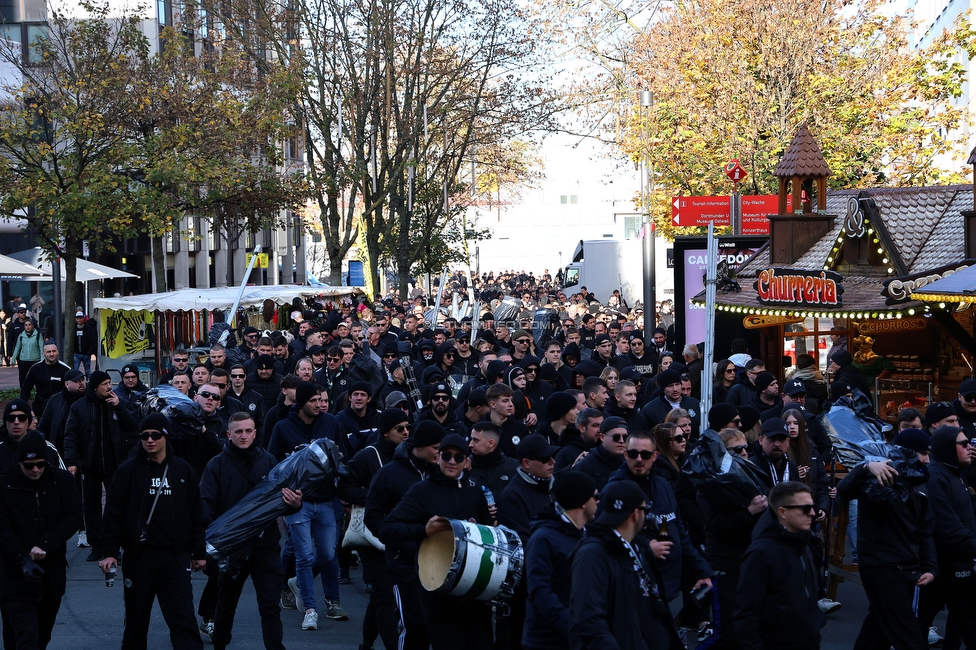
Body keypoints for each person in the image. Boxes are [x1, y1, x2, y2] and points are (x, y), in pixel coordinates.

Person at [98, 412, 208, 650]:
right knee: (136, 624)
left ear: (166, 437)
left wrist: (199, 552)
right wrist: (109, 552)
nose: (149, 440)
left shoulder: (182, 470)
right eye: (144, 436)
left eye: (155, 435)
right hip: (139, 559)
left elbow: (196, 513)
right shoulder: (128, 471)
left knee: (184, 622)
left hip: (175, 558)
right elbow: (113, 515)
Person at [378, 433, 493, 650]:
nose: (452, 461)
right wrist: (424, 530)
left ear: (467, 461)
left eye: (459, 458)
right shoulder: (422, 490)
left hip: (474, 586)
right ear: (438, 457)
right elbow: (387, 528)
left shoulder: (475, 490)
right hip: (438, 584)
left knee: (481, 642)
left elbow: (487, 526)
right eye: (446, 455)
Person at [199, 413, 302, 650]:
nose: (243, 436)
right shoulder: (216, 465)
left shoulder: (269, 461)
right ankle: (219, 645)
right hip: (231, 550)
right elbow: (205, 508)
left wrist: (296, 504)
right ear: (229, 435)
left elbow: (284, 501)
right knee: (225, 605)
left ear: (255, 433)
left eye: (248, 431)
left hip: (265, 547)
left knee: (270, 606)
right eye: (238, 432)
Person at [836, 428, 935, 650]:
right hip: (882, 566)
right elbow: (844, 489)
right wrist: (865, 467)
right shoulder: (880, 476)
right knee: (908, 636)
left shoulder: (919, 483)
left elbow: (924, 530)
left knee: (877, 632)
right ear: (907, 452)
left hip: (905, 566)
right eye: (922, 453)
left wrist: (930, 567)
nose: (927, 459)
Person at [267, 382, 346, 630]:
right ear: (301, 403)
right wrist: (284, 494)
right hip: (297, 503)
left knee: (327, 554)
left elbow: (343, 455)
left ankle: (299, 583)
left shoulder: (331, 423)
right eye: (313, 400)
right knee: (304, 555)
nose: (318, 404)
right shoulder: (283, 428)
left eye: (321, 400)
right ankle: (310, 609)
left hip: (326, 499)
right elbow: (273, 464)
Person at [569, 480, 679, 649]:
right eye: (645, 510)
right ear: (636, 514)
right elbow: (589, 620)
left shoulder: (636, 547)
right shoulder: (592, 554)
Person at [364, 420, 445, 650]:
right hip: (404, 563)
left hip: (439, 561)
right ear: (419, 445)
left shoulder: (440, 473)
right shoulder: (389, 474)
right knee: (413, 624)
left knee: (434, 625)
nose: (441, 454)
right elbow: (374, 517)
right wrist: (400, 540)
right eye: (436, 448)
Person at [0, 431, 82, 650]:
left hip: (50, 575)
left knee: (42, 636)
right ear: (19, 463)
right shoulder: (5, 483)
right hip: (16, 576)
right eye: (29, 465)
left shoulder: (61, 480)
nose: (35, 469)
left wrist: (45, 545)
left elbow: (73, 516)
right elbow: (2, 527)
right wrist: (22, 559)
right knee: (25, 639)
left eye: (40, 464)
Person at [338, 408, 410, 650]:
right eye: (400, 428)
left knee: (381, 595)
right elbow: (344, 487)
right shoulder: (368, 455)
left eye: (407, 427)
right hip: (370, 535)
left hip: (396, 534)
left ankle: (366, 644)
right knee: (385, 595)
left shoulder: (408, 456)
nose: (406, 432)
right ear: (386, 432)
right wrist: (372, 497)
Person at [735, 481, 825, 650]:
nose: (812, 513)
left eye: (812, 507)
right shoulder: (761, 553)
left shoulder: (804, 545)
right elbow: (746, 612)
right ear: (782, 512)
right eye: (805, 508)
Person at [64, 370, 138, 562]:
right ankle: (96, 546)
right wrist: (71, 461)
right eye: (105, 384)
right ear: (95, 387)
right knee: (91, 508)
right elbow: (71, 435)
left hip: (114, 464)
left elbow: (132, 427)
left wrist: (119, 407)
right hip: (89, 465)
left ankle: (113, 547)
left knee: (115, 507)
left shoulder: (116, 402)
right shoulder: (79, 407)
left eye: (109, 383)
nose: (109, 387)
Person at [523, 471, 598, 650]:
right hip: (547, 641)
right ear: (582, 502)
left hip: (580, 638)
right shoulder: (543, 539)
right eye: (595, 496)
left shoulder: (588, 535)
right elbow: (540, 590)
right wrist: (570, 623)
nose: (598, 501)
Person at [918, 426, 976, 647]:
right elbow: (947, 527)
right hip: (941, 566)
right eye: (964, 443)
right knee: (919, 623)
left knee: (965, 620)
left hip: (959, 563)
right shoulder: (936, 477)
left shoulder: (955, 474)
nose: (970, 447)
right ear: (948, 448)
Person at [20, 342, 72, 419]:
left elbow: (72, 390)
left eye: (54, 351)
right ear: (43, 354)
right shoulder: (35, 368)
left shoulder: (65, 369)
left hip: (59, 408)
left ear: (58, 352)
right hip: (40, 407)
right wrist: (24, 408)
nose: (52, 354)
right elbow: (26, 389)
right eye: (48, 352)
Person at [575, 416, 628, 490]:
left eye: (625, 437)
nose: (621, 441)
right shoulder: (587, 465)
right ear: (602, 437)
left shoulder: (629, 463)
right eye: (616, 437)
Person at [12, 316, 43, 388]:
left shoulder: (38, 335)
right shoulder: (21, 336)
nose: (28, 326)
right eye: (26, 325)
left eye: (29, 324)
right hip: (23, 361)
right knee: (23, 379)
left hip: (35, 360)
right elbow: (17, 348)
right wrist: (13, 359)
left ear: (32, 326)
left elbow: (41, 348)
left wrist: (42, 360)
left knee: (37, 378)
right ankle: (23, 393)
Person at [72, 310, 97, 377]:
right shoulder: (73, 328)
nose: (79, 320)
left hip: (86, 354)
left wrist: (89, 352)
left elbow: (93, 340)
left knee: (88, 371)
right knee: (75, 370)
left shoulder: (88, 329)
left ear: (83, 318)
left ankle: (89, 384)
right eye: (78, 318)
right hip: (76, 353)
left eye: (81, 318)